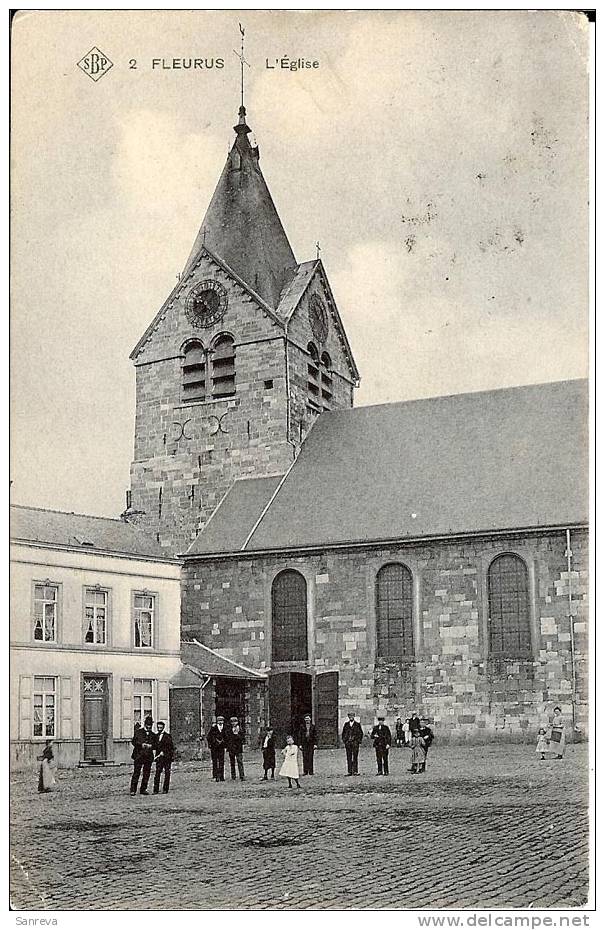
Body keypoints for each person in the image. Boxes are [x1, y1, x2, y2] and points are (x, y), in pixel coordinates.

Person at [130, 715, 156, 795]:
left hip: (148, 757)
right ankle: (133, 790)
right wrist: (141, 745)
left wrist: (151, 746)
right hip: (139, 756)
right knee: (136, 773)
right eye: (147, 725)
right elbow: (133, 742)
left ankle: (143, 789)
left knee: (146, 773)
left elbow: (156, 745)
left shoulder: (153, 735)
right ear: (145, 724)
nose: (149, 727)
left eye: (150, 726)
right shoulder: (138, 732)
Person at [153, 721, 175, 794]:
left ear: (163, 728)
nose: (159, 729)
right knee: (157, 773)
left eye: (161, 728)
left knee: (167, 773)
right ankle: (155, 789)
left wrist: (164, 752)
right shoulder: (155, 736)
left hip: (166, 758)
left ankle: (165, 789)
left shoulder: (168, 736)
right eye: (158, 728)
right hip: (159, 758)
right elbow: (155, 746)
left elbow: (170, 747)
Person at [206, 715, 227, 781]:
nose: (220, 722)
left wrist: (224, 742)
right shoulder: (213, 728)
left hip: (221, 747)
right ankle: (215, 775)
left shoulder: (225, 728)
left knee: (221, 761)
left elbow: (227, 736)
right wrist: (215, 742)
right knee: (215, 761)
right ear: (217, 722)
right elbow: (209, 737)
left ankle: (221, 776)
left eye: (221, 721)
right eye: (219, 721)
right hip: (214, 747)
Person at [227, 716, 245, 781]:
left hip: (238, 748)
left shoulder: (240, 729)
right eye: (232, 722)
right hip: (231, 748)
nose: (234, 723)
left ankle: (242, 776)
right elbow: (228, 739)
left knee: (240, 762)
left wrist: (237, 734)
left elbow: (243, 738)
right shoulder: (229, 730)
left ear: (237, 722)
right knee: (232, 762)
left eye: (235, 722)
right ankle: (233, 776)